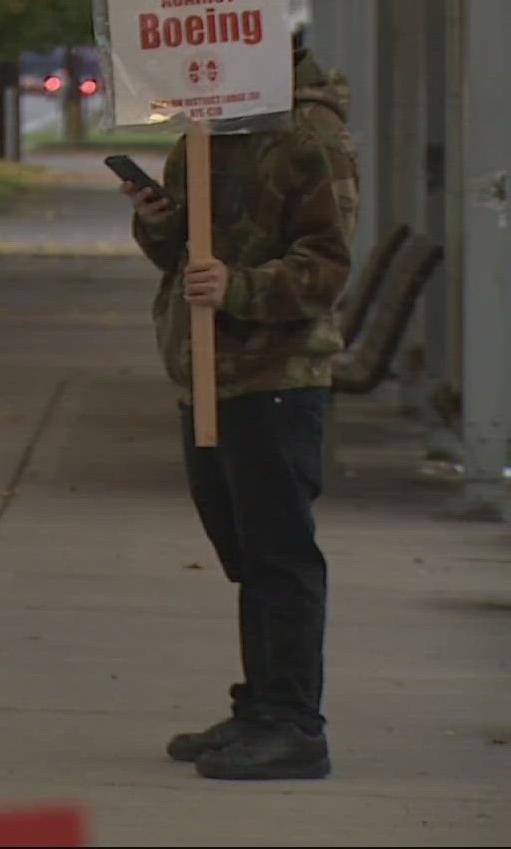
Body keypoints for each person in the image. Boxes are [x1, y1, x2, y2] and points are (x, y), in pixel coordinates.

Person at [120, 46, 359, 780]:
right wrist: (161, 222)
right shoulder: (206, 130)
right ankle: (260, 707)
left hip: (274, 374)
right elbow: (189, 257)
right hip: (208, 372)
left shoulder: (305, 136)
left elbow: (326, 263)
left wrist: (240, 287)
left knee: (279, 554)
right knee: (244, 549)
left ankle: (294, 723)